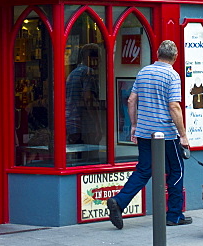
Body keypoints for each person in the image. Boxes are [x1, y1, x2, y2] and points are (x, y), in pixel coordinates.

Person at [107, 39, 191, 228]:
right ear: (175, 57)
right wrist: (183, 135)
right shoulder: (172, 75)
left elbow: (131, 100)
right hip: (167, 134)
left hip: (145, 132)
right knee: (176, 171)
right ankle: (174, 215)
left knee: (144, 170)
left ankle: (119, 202)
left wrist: (135, 125)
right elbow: (174, 106)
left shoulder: (143, 72)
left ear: (157, 54)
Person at [65, 43, 100, 144]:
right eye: (99, 57)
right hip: (82, 121)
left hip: (70, 118)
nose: (101, 61)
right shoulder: (88, 72)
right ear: (91, 58)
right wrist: (97, 124)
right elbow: (88, 99)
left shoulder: (73, 73)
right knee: (90, 154)